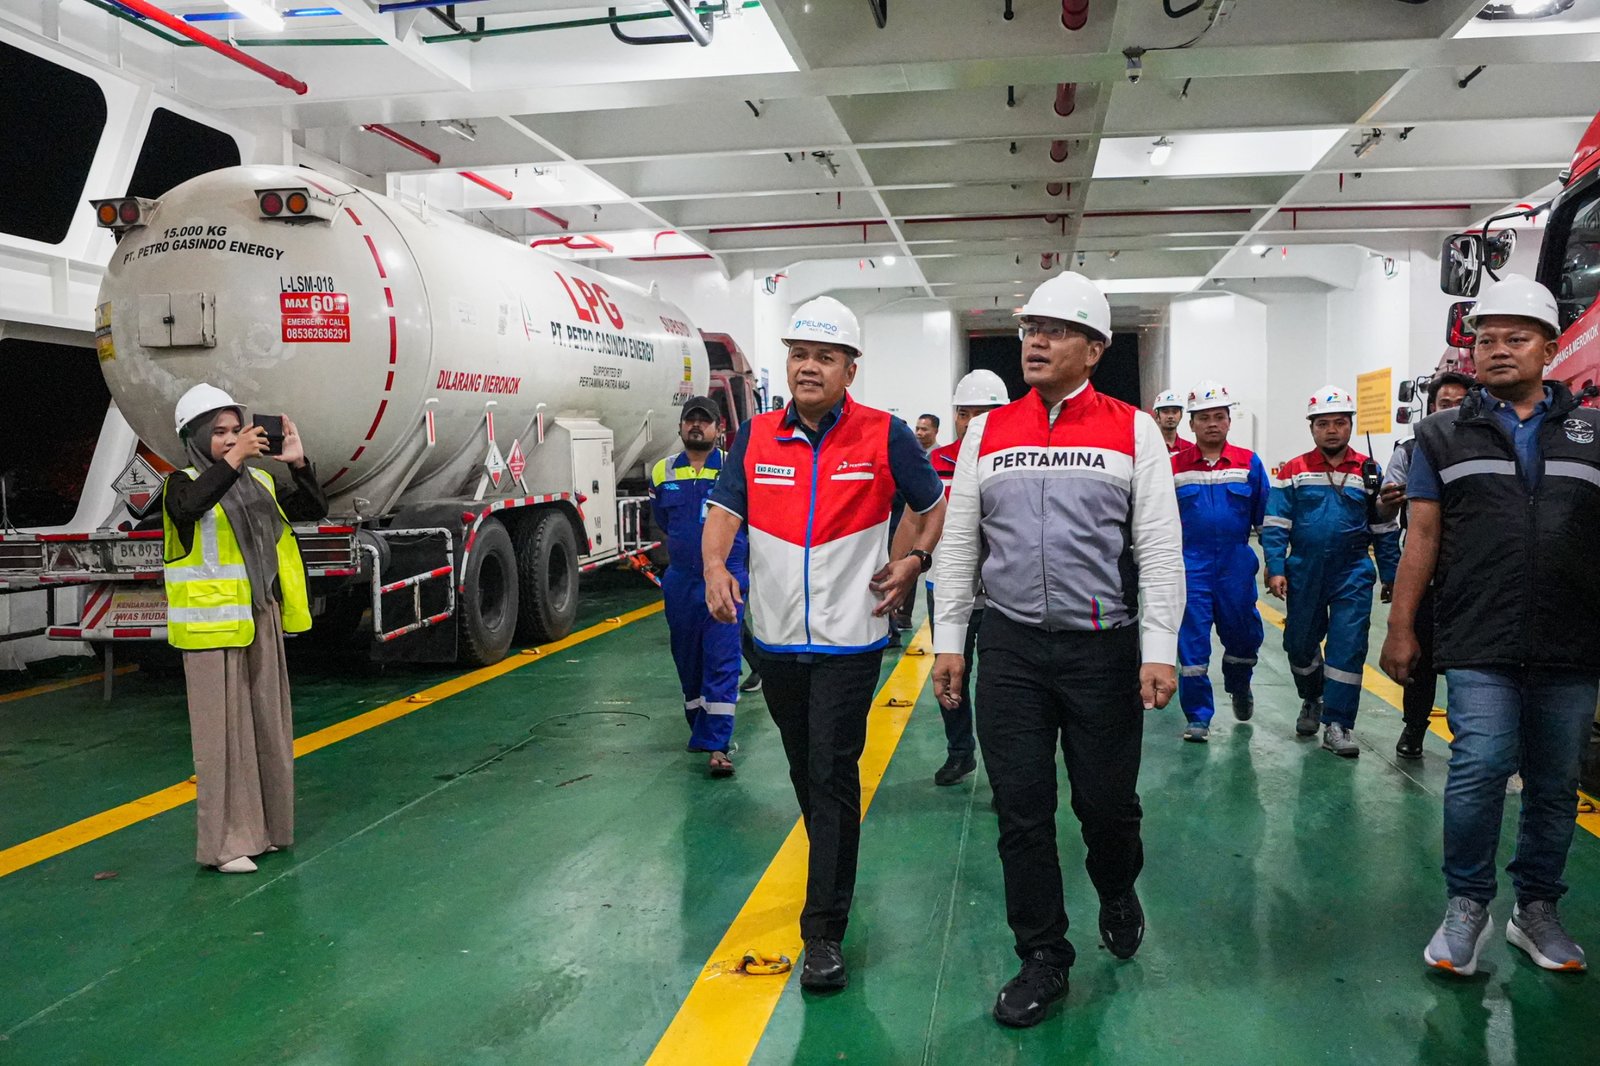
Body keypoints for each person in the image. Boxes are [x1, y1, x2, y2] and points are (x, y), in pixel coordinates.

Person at [930, 271, 1184, 1029]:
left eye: (1056, 331)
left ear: (1095, 349)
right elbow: (960, 544)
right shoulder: (988, 433)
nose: (1036, 342)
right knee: (1021, 808)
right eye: (1030, 329)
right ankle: (1043, 953)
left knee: (1106, 806)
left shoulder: (1132, 431)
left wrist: (1158, 646)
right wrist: (950, 640)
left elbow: (1158, 548)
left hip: (1102, 650)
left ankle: (1116, 884)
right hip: (1010, 649)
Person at [702, 295, 946, 992]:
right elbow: (724, 511)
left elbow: (932, 505)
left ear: (850, 369)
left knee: (832, 771)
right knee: (805, 769)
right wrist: (716, 565)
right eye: (800, 355)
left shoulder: (885, 434)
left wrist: (913, 561)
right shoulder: (754, 436)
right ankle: (835, 867)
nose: (808, 368)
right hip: (775, 639)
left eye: (825, 357)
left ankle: (824, 932)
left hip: (850, 638)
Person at [1381, 274, 1598, 977]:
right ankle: (1467, 905)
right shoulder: (1440, 434)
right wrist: (1401, 626)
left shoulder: (1593, 434)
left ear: (1550, 348)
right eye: (1485, 340)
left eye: (1516, 338)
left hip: (1572, 635)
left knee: (1556, 781)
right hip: (1479, 631)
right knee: (1478, 767)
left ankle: (1536, 909)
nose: (1498, 350)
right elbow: (1421, 535)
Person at [162, 383, 326, 874]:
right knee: (222, 742)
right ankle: (224, 846)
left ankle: (267, 831)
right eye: (219, 432)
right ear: (194, 437)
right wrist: (233, 461)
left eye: (237, 430)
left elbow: (313, 510)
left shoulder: (261, 484)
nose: (232, 439)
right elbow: (190, 507)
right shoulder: (179, 484)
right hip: (210, 631)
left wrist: (298, 464)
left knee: (268, 730)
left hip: (260, 619)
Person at [1262, 386, 1399, 758]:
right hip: (1304, 570)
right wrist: (1276, 567)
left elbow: (1383, 527)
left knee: (1347, 648)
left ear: (1351, 425)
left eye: (1340, 422)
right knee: (1299, 644)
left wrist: (1391, 574)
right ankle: (1313, 697)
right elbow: (1275, 524)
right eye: (1323, 423)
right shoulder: (1294, 470)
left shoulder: (1370, 471)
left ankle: (1338, 724)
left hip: (1352, 572)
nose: (1332, 430)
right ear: (1311, 428)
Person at [1375, 371, 1473, 760]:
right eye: (1444, 404)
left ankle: (1470, 738)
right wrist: (1387, 501)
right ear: (1431, 408)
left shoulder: (1489, 448)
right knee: (1420, 658)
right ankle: (1414, 727)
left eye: (1460, 404)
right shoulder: (1411, 450)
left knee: (1472, 663)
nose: (1452, 412)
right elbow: (1384, 510)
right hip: (1425, 575)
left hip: (1471, 575)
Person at [649, 396, 747, 777]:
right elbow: (662, 518)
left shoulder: (733, 469)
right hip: (681, 581)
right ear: (680, 427)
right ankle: (700, 728)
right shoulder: (662, 472)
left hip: (726, 577)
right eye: (690, 420)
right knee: (687, 658)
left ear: (718, 429)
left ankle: (718, 744)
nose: (696, 426)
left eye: (704, 421)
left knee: (723, 658)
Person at [1171, 381, 1269, 743]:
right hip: (1190, 565)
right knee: (1192, 644)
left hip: (1235, 564)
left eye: (1219, 416)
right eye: (1203, 418)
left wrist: (1275, 564)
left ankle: (1239, 683)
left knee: (1244, 635)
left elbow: (1265, 518)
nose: (1212, 423)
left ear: (1229, 420)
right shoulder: (1174, 467)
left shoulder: (1249, 463)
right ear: (1191, 424)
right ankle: (1198, 716)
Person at [925, 368, 1009, 785]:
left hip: (1001, 593)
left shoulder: (1012, 459)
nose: (972, 422)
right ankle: (960, 753)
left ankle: (1003, 770)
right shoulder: (935, 462)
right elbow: (919, 518)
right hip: (944, 586)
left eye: (983, 413)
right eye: (964, 413)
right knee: (950, 674)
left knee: (1000, 687)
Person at [1153, 389, 1192, 456]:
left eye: (1174, 411)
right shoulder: (1149, 448)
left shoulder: (1190, 449)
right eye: (1165, 412)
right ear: (1157, 416)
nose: (1170, 416)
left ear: (1181, 415)